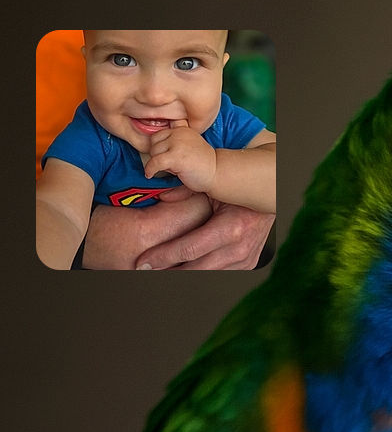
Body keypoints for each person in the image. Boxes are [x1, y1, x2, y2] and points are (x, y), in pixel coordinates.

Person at [36, 29, 275, 270]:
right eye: (122, 59)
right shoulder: (92, 137)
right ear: (88, 62)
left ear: (220, 69)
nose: (155, 95)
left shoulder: (223, 123)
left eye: (187, 63)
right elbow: (57, 212)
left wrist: (215, 168)